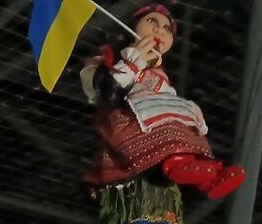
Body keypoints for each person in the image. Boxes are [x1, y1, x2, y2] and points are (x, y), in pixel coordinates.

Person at [81, 3, 245, 197]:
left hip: (156, 118)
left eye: (167, 29)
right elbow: (108, 92)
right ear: (133, 26)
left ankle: (206, 176)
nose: (160, 29)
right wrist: (135, 60)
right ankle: (178, 165)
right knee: (169, 130)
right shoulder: (108, 59)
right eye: (152, 21)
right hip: (128, 122)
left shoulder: (159, 74)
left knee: (184, 127)